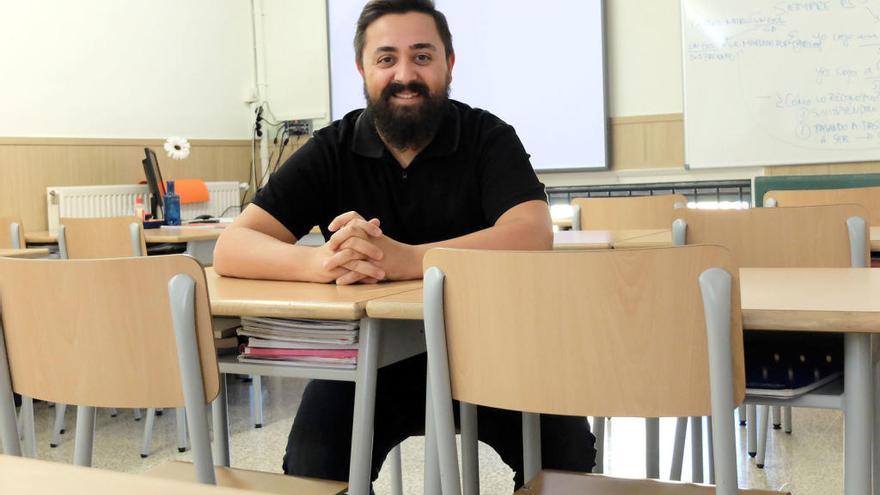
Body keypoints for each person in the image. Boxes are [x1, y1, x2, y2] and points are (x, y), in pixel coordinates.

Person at [213, 0, 595, 488]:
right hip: (369, 361)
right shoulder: (333, 148)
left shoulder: (488, 136)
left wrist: (410, 259)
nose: (404, 75)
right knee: (313, 463)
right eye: (386, 58)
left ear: (448, 65)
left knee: (567, 459)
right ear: (362, 69)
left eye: (422, 56)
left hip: (494, 351)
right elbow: (234, 245)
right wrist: (321, 262)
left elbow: (532, 233)